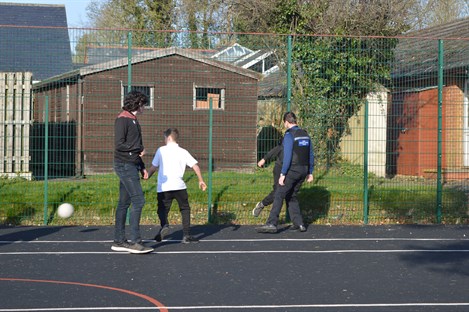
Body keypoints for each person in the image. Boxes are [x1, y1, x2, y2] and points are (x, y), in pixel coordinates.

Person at [256, 112, 314, 233]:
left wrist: (282, 174)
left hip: (293, 170)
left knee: (279, 194)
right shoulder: (305, 134)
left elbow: (287, 156)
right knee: (291, 195)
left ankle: (271, 223)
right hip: (303, 170)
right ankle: (299, 224)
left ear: (286, 122)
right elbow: (311, 154)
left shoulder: (289, 135)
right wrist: (310, 172)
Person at [147, 128, 207, 244]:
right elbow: (195, 166)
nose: (164, 140)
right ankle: (186, 235)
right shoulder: (183, 151)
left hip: (164, 187)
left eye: (164, 138)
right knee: (185, 209)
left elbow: (154, 167)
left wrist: (147, 176)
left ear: (168, 137)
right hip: (179, 186)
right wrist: (201, 180)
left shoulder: (161, 150)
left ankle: (164, 225)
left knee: (162, 209)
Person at [111, 90, 154, 254]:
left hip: (132, 165)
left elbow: (136, 147)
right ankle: (135, 242)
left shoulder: (134, 120)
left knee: (124, 203)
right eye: (144, 104)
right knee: (139, 201)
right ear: (138, 104)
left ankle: (119, 241)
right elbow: (119, 144)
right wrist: (138, 149)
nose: (145, 107)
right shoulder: (123, 119)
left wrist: (141, 166)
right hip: (124, 165)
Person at [252, 139, 283, 217]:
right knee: (277, 192)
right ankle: (262, 204)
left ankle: (297, 221)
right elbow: (277, 149)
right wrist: (264, 159)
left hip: (292, 171)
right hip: (280, 169)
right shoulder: (287, 139)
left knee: (291, 194)